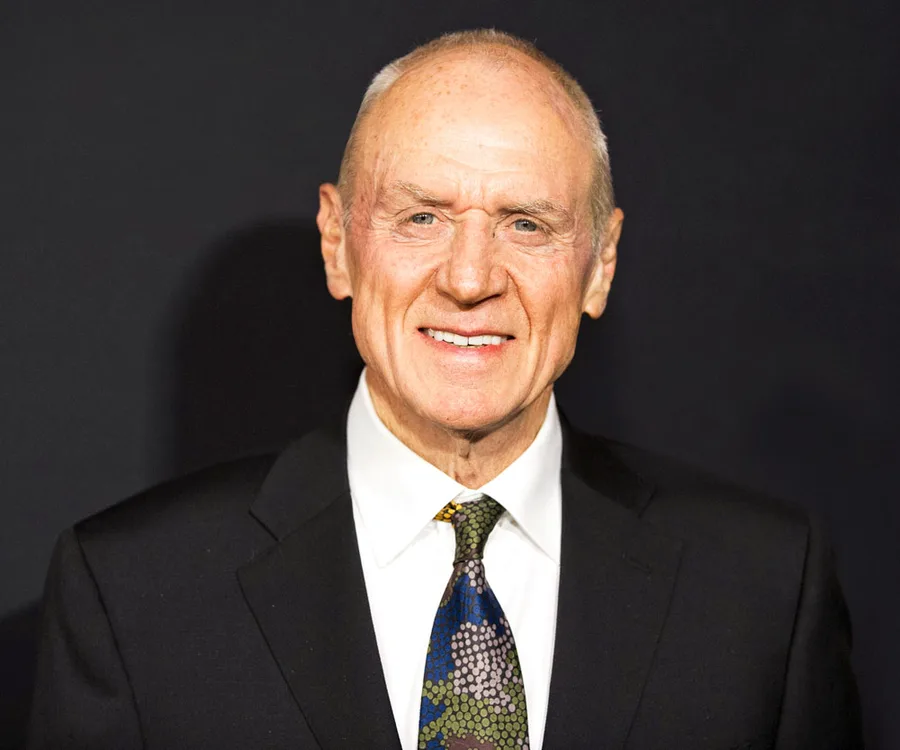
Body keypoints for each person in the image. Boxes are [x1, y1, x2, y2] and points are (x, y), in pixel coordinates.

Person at [27, 29, 862, 750]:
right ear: (338, 244)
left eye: (525, 223)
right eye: (421, 216)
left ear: (599, 264)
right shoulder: (131, 597)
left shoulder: (763, 590)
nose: (469, 279)